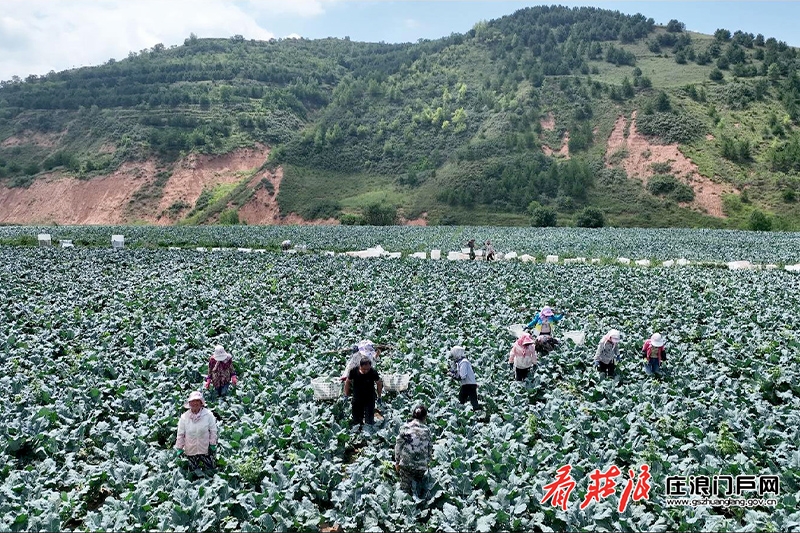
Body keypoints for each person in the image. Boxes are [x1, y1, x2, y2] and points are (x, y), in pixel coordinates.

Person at [175, 391, 218, 470]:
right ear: (189, 404)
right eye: (193, 401)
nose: (195, 403)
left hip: (205, 448)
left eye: (197, 401)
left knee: (209, 470)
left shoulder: (208, 415)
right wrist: (179, 447)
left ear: (201, 403)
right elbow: (180, 434)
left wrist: (212, 443)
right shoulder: (184, 417)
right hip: (190, 448)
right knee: (193, 471)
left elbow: (213, 430)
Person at [394, 405, 433, 495]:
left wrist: (397, 462)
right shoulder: (427, 430)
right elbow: (429, 450)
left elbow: (398, 446)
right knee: (418, 487)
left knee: (405, 492)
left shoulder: (405, 427)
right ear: (424, 417)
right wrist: (427, 462)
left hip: (406, 465)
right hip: (421, 467)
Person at [344, 357, 383, 426]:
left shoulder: (373, 372)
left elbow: (379, 383)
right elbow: (347, 382)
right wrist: (346, 395)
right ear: (360, 366)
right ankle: (358, 433)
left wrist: (379, 396)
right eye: (364, 369)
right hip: (357, 398)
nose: (366, 371)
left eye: (368, 369)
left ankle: (368, 433)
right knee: (357, 420)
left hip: (369, 398)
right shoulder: (354, 371)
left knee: (369, 420)